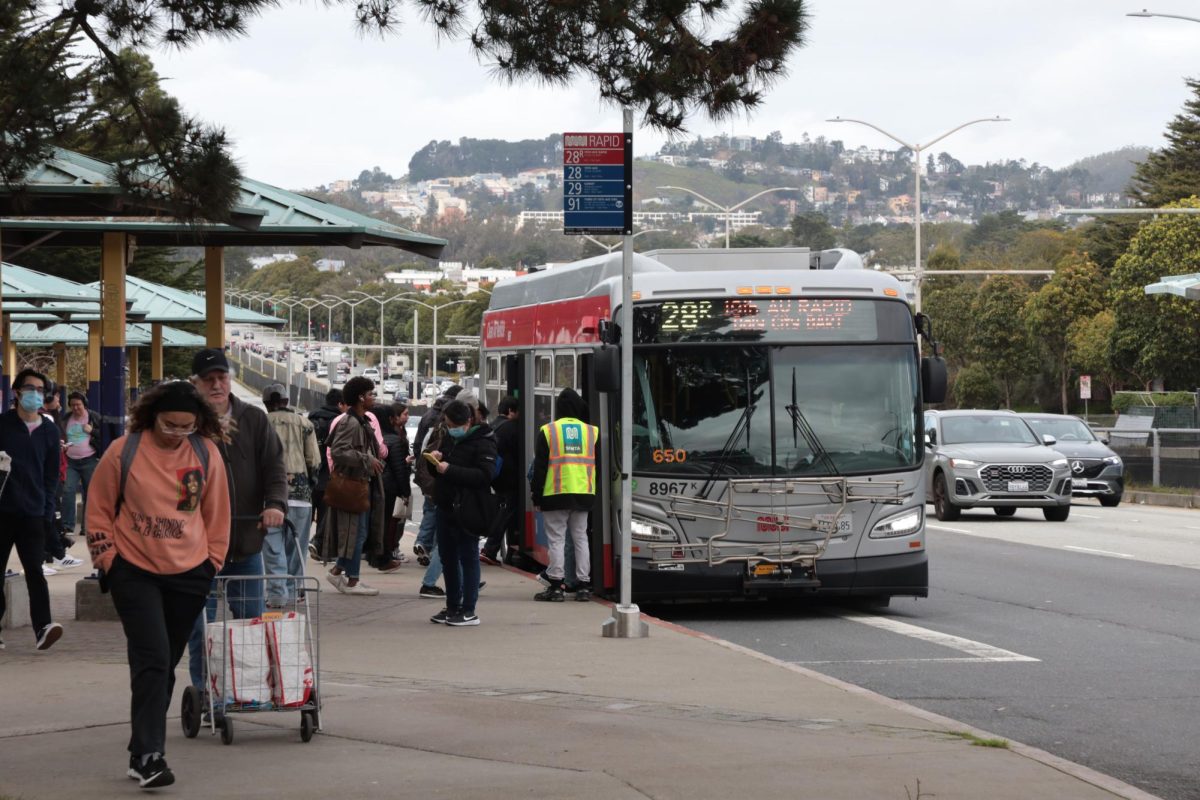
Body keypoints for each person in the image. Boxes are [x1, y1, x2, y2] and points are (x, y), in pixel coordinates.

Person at [85, 380, 229, 789]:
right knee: (153, 657)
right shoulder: (124, 450)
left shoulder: (206, 453)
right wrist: (108, 560)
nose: (176, 434)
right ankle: (151, 756)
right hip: (134, 569)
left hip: (190, 573)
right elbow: (97, 509)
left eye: (186, 427)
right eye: (169, 425)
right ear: (153, 417)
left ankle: (139, 751)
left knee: (163, 664)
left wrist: (211, 563)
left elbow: (217, 514)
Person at [185, 347, 287, 691]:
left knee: (250, 625)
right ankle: (204, 692)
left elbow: (274, 466)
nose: (217, 385)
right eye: (209, 380)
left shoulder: (254, 419)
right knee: (201, 626)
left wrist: (275, 504)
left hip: (245, 542)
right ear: (195, 384)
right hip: (198, 550)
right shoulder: (187, 424)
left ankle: (250, 687)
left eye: (222, 378)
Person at [0, 369, 64, 652]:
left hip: (34, 513)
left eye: (41, 390)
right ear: (17, 392)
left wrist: (48, 512)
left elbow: (52, 476)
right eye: (31, 388)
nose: (37, 394)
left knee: (35, 571)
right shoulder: (2, 425)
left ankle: (43, 627)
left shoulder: (50, 430)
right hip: (3, 511)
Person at [428, 398, 497, 626]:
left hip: (468, 508)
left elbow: (484, 476)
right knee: (448, 558)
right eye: (447, 425)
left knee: (468, 557)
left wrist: (450, 469)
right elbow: (442, 470)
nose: (450, 429)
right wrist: (434, 462)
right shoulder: (450, 438)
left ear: (467, 421)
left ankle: (469, 610)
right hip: (446, 505)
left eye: (452, 425)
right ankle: (452, 606)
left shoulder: (484, 441)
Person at [532, 388, 599, 602]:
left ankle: (556, 586)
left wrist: (536, 497)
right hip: (583, 493)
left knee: (557, 540)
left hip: (555, 494)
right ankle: (583, 586)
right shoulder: (591, 432)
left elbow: (540, 468)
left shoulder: (549, 431)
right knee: (581, 538)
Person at [320, 376, 385, 595]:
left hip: (360, 485)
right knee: (356, 534)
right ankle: (352, 580)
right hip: (352, 486)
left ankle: (340, 572)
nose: (373, 398)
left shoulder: (361, 420)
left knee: (359, 533)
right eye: (370, 394)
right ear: (360, 397)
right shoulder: (350, 422)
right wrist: (367, 459)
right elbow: (338, 451)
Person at [261, 383, 320, 607]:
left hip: (269, 497)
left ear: (267, 404)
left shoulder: (262, 423)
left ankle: (276, 594)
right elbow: (314, 461)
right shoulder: (305, 424)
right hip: (301, 496)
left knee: (272, 545)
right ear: (286, 401)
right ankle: (295, 590)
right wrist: (309, 484)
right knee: (297, 545)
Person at [481, 395, 520, 565]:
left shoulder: (492, 426)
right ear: (511, 411)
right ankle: (490, 549)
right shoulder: (512, 428)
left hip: (494, 476)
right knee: (505, 513)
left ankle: (491, 548)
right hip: (509, 478)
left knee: (500, 510)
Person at [307, 388, 346, 561]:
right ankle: (320, 545)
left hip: (309, 473)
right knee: (325, 513)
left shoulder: (311, 418)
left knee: (307, 514)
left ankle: (301, 545)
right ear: (340, 404)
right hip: (327, 473)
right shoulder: (339, 421)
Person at [59, 391, 102, 543]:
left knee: (90, 492)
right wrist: (62, 444)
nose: (76, 408)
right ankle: (68, 526)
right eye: (73, 405)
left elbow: (106, 436)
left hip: (90, 459)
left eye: (79, 405)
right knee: (68, 490)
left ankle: (87, 526)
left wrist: (93, 431)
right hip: (70, 460)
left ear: (85, 404)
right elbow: (60, 435)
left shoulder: (94, 417)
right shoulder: (65, 418)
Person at [376, 402, 411, 572]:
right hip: (389, 488)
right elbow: (400, 468)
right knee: (388, 523)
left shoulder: (377, 438)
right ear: (391, 419)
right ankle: (383, 556)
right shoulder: (394, 440)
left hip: (376, 485)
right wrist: (406, 492)